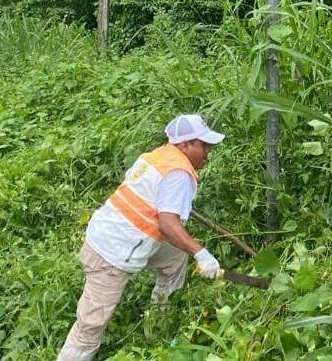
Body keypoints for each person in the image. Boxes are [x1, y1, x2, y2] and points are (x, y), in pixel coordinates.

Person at [57, 114, 226, 361]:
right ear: (185, 145)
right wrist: (202, 254)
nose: (208, 152)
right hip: (111, 254)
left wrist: (190, 250)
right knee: (90, 327)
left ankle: (158, 325)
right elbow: (168, 224)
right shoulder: (178, 173)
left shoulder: (156, 156)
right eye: (203, 145)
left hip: (113, 235)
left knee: (175, 256)